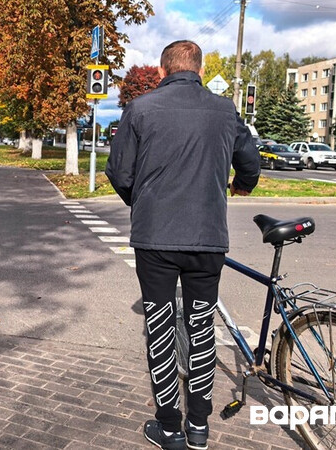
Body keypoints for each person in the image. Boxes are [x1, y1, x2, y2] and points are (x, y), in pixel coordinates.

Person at [105, 40, 260, 450]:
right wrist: (241, 185)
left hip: (155, 239)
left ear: (161, 71)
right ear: (200, 71)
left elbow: (119, 171)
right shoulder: (225, 109)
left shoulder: (140, 109)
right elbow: (250, 161)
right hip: (208, 239)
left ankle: (170, 428)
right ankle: (199, 427)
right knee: (202, 327)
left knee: (159, 331)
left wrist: (144, 201)